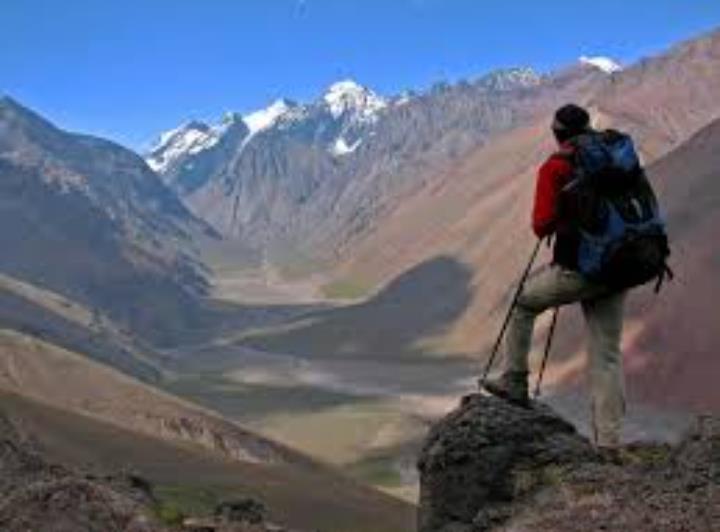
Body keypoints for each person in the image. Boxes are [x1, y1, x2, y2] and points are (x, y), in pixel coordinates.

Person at [483, 104, 626, 450]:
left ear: (558, 132)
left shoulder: (557, 166)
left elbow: (541, 225)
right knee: (607, 356)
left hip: (580, 268)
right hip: (620, 265)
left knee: (523, 304)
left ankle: (514, 380)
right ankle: (610, 443)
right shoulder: (615, 155)